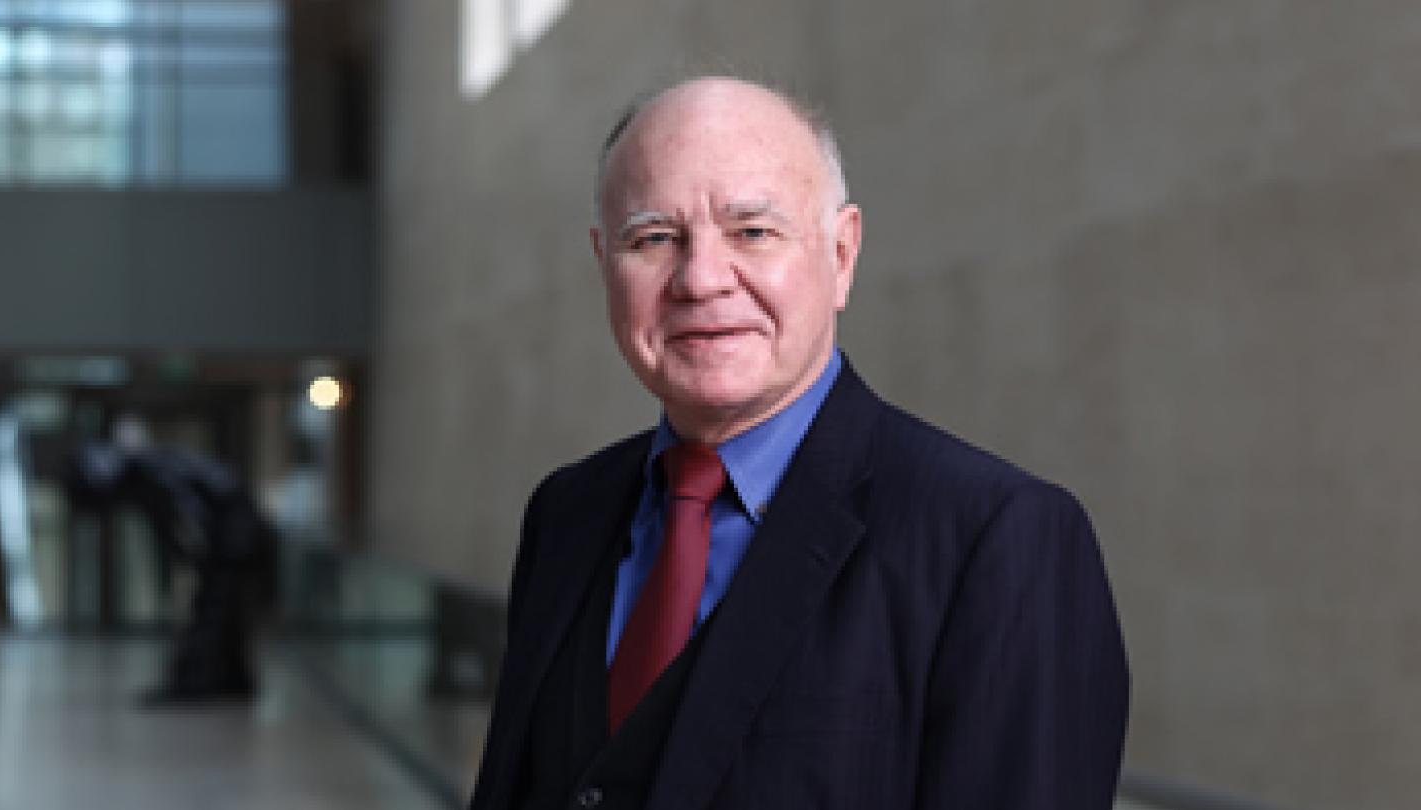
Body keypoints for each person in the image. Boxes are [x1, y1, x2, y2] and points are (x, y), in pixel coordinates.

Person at [469, 76, 1129, 809]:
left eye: (752, 232)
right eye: (653, 239)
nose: (701, 280)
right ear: (605, 264)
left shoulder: (997, 541)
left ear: (841, 255)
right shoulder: (566, 513)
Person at [65, 442, 277, 705]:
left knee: (215, 610)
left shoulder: (150, 472)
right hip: (233, 530)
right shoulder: (149, 471)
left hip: (236, 532)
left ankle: (199, 679)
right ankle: (228, 678)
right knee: (222, 610)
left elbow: (189, 508)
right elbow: (173, 520)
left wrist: (201, 551)